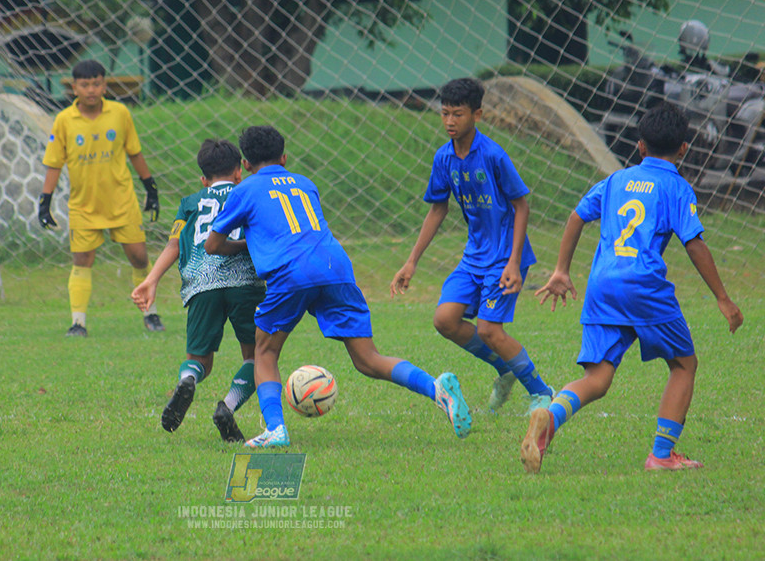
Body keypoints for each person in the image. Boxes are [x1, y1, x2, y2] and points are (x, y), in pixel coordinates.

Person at [205, 125, 471, 449]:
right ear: (285, 157)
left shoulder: (243, 190)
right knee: (368, 359)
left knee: (264, 351)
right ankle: (436, 388)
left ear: (244, 164)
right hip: (335, 265)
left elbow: (213, 244)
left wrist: (250, 246)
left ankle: (275, 429)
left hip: (291, 271)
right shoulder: (306, 184)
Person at [523, 102, 743, 474]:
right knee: (684, 364)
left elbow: (576, 216)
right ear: (684, 149)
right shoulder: (676, 186)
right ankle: (660, 455)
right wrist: (723, 298)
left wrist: (561, 269)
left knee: (598, 377)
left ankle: (552, 416)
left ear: (640, 146)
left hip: (602, 284)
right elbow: (694, 243)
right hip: (643, 285)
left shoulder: (615, 181)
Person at [390, 77, 553, 414]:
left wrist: (513, 261)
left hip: (504, 257)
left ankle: (542, 392)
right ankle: (505, 369)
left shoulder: (492, 155)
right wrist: (411, 261)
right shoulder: (443, 158)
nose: (450, 122)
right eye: (445, 114)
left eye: (458, 114)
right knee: (445, 320)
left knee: (490, 330)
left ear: (477, 114)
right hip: (474, 256)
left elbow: (521, 204)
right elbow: (438, 208)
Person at [131, 139, 266, 442]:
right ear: (238, 173)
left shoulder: (190, 202)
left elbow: (174, 243)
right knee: (258, 356)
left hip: (201, 284)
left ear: (203, 179)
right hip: (246, 283)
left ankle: (188, 378)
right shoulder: (249, 193)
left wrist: (151, 280)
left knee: (200, 359)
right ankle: (227, 408)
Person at [38, 59, 164, 337]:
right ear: (74, 87)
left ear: (105, 85)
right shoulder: (63, 121)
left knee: (139, 257)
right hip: (84, 206)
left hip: (121, 201)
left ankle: (151, 315)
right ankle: (78, 323)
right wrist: (44, 202)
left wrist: (150, 188)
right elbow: (54, 164)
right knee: (81, 259)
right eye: (85, 85)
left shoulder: (120, 113)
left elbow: (135, 153)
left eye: (96, 84)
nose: (91, 90)